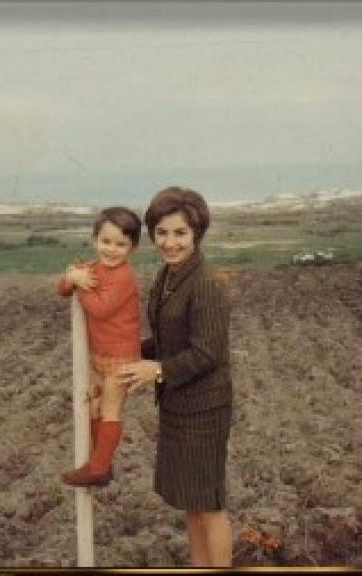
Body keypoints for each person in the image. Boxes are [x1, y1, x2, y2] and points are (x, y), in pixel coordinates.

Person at [116, 187, 234, 567]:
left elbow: (206, 353)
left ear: (197, 233)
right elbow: (168, 339)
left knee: (208, 506)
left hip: (203, 410)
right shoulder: (168, 276)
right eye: (162, 233)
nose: (170, 242)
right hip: (178, 406)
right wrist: (129, 353)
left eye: (179, 233)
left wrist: (159, 370)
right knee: (190, 503)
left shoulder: (206, 284)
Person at [58, 207, 143, 487]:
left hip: (121, 357)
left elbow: (101, 309)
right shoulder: (93, 269)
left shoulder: (123, 277)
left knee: (110, 409)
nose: (112, 249)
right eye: (106, 242)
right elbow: (62, 289)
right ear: (94, 240)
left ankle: (99, 467)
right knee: (93, 407)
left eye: (121, 244)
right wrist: (71, 278)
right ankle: (99, 463)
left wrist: (81, 285)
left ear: (133, 247)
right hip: (100, 354)